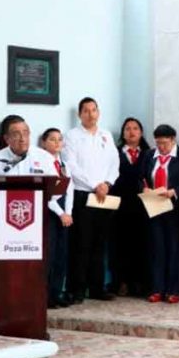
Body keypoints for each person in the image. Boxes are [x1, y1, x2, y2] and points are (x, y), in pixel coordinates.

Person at [62, 97, 121, 303]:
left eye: (94, 110)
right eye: (86, 111)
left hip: (104, 194)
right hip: (83, 193)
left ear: (98, 112)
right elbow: (71, 166)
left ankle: (97, 287)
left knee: (100, 242)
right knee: (81, 243)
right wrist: (94, 184)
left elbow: (114, 162)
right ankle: (77, 289)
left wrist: (106, 183)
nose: (90, 114)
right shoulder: (71, 136)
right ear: (79, 115)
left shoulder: (106, 135)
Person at [140, 124, 179, 304]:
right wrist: (144, 188)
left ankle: (173, 290)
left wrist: (174, 191)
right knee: (157, 249)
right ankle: (157, 288)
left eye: (165, 143)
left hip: (174, 208)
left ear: (173, 140)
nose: (161, 147)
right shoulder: (149, 155)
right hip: (154, 207)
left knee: (174, 249)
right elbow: (140, 176)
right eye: (158, 143)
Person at [109, 117, 151, 297]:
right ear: (123, 133)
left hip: (144, 206)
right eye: (127, 129)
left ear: (141, 132)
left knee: (142, 245)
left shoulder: (149, 153)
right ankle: (121, 282)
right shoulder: (114, 152)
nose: (131, 132)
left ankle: (139, 283)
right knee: (120, 245)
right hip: (119, 206)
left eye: (135, 128)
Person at [39, 128, 75, 309]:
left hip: (64, 214)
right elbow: (46, 194)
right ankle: (45, 296)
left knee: (62, 254)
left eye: (59, 139)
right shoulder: (40, 162)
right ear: (44, 142)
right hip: (51, 213)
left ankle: (56, 291)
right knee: (50, 254)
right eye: (52, 139)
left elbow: (70, 188)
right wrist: (60, 213)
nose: (56, 143)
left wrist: (68, 212)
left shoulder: (64, 165)